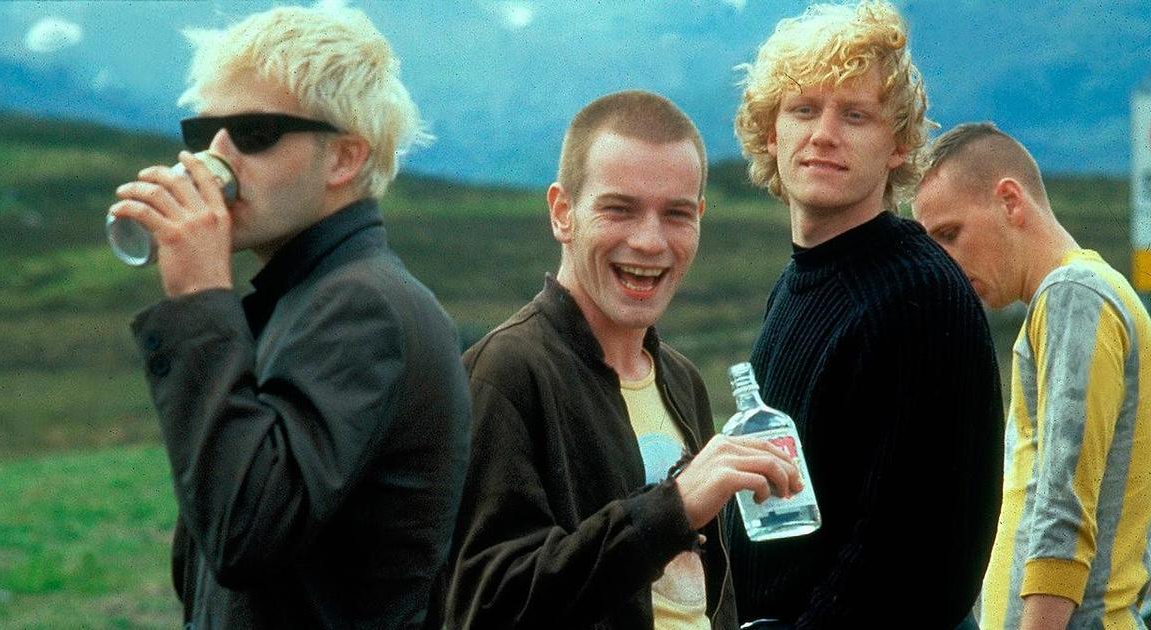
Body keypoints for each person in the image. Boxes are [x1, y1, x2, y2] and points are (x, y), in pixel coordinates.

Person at [107, 5, 470, 627]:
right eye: (204, 133)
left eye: (254, 132)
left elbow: (242, 531)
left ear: (344, 159)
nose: (215, 158)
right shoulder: (307, 297)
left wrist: (198, 298)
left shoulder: (361, 307)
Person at [445, 90, 803, 629]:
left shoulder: (681, 379)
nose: (650, 241)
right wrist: (672, 510)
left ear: (700, 218)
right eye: (620, 209)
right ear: (562, 213)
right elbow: (488, 606)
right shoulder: (505, 373)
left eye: (677, 214)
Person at [727, 1, 1005, 627]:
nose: (824, 134)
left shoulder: (916, 296)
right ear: (772, 133)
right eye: (804, 110)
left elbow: (910, 557)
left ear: (898, 145)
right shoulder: (800, 282)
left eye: (855, 115)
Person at [913, 122, 1151, 630]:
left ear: (1010, 201)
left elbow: (1064, 505)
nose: (944, 264)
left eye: (950, 235)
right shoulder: (1072, 298)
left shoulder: (1075, 294)